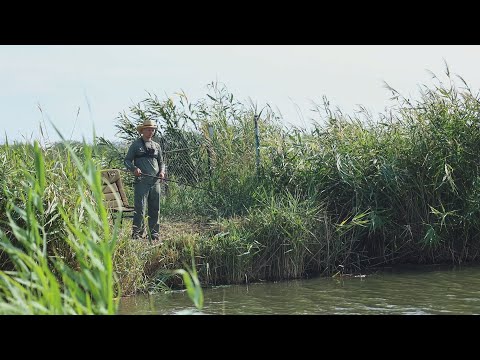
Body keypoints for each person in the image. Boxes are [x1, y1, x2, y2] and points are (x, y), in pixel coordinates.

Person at [124, 119, 165, 241]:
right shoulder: (136, 145)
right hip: (141, 182)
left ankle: (154, 234)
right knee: (140, 209)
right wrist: (134, 168)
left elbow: (162, 163)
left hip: (155, 182)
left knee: (155, 208)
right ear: (142, 131)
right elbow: (126, 161)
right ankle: (137, 234)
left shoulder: (157, 146)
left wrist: (162, 172)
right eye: (148, 129)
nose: (150, 131)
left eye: (152, 129)